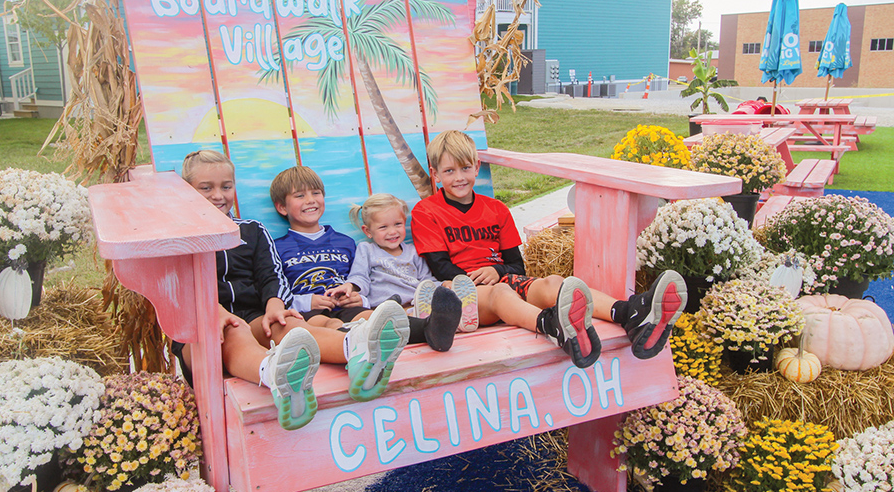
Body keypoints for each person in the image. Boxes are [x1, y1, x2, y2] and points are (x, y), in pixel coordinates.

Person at [175, 150, 411, 431]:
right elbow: (176, 285)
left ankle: (357, 350)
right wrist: (212, 310)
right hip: (199, 332)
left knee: (288, 326)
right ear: (187, 190)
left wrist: (275, 303)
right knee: (234, 331)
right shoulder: (178, 237)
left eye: (226, 187)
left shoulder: (250, 231)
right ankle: (277, 376)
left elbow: (270, 275)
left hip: (253, 317)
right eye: (206, 188)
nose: (218, 195)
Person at [410, 130, 687, 369]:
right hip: (463, 295)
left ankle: (629, 314)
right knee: (500, 292)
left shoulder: (496, 209)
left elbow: (517, 266)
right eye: (449, 171)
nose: (459, 177)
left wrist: (496, 270)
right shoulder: (427, 212)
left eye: (465, 168)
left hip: (501, 279)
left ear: (476, 166)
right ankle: (552, 327)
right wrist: (481, 279)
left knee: (553, 283)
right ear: (435, 174)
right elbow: (440, 267)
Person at [269, 166, 462, 352]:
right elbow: (275, 291)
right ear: (282, 207)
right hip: (310, 311)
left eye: (316, 193)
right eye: (300, 196)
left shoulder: (343, 242)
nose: (310, 200)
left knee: (376, 319)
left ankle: (432, 330)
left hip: (348, 306)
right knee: (328, 323)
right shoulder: (277, 247)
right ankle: (353, 346)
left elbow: (360, 276)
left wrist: (357, 297)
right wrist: (306, 302)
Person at [325, 193, 479, 350]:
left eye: (397, 224)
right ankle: (442, 323)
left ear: (404, 222)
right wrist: (350, 287)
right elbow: (359, 276)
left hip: (417, 303)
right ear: (368, 231)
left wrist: (444, 285)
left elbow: (426, 281)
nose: (392, 232)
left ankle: (460, 313)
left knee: (437, 295)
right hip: (387, 305)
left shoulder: (413, 252)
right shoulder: (367, 250)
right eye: (383, 227)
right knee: (402, 316)